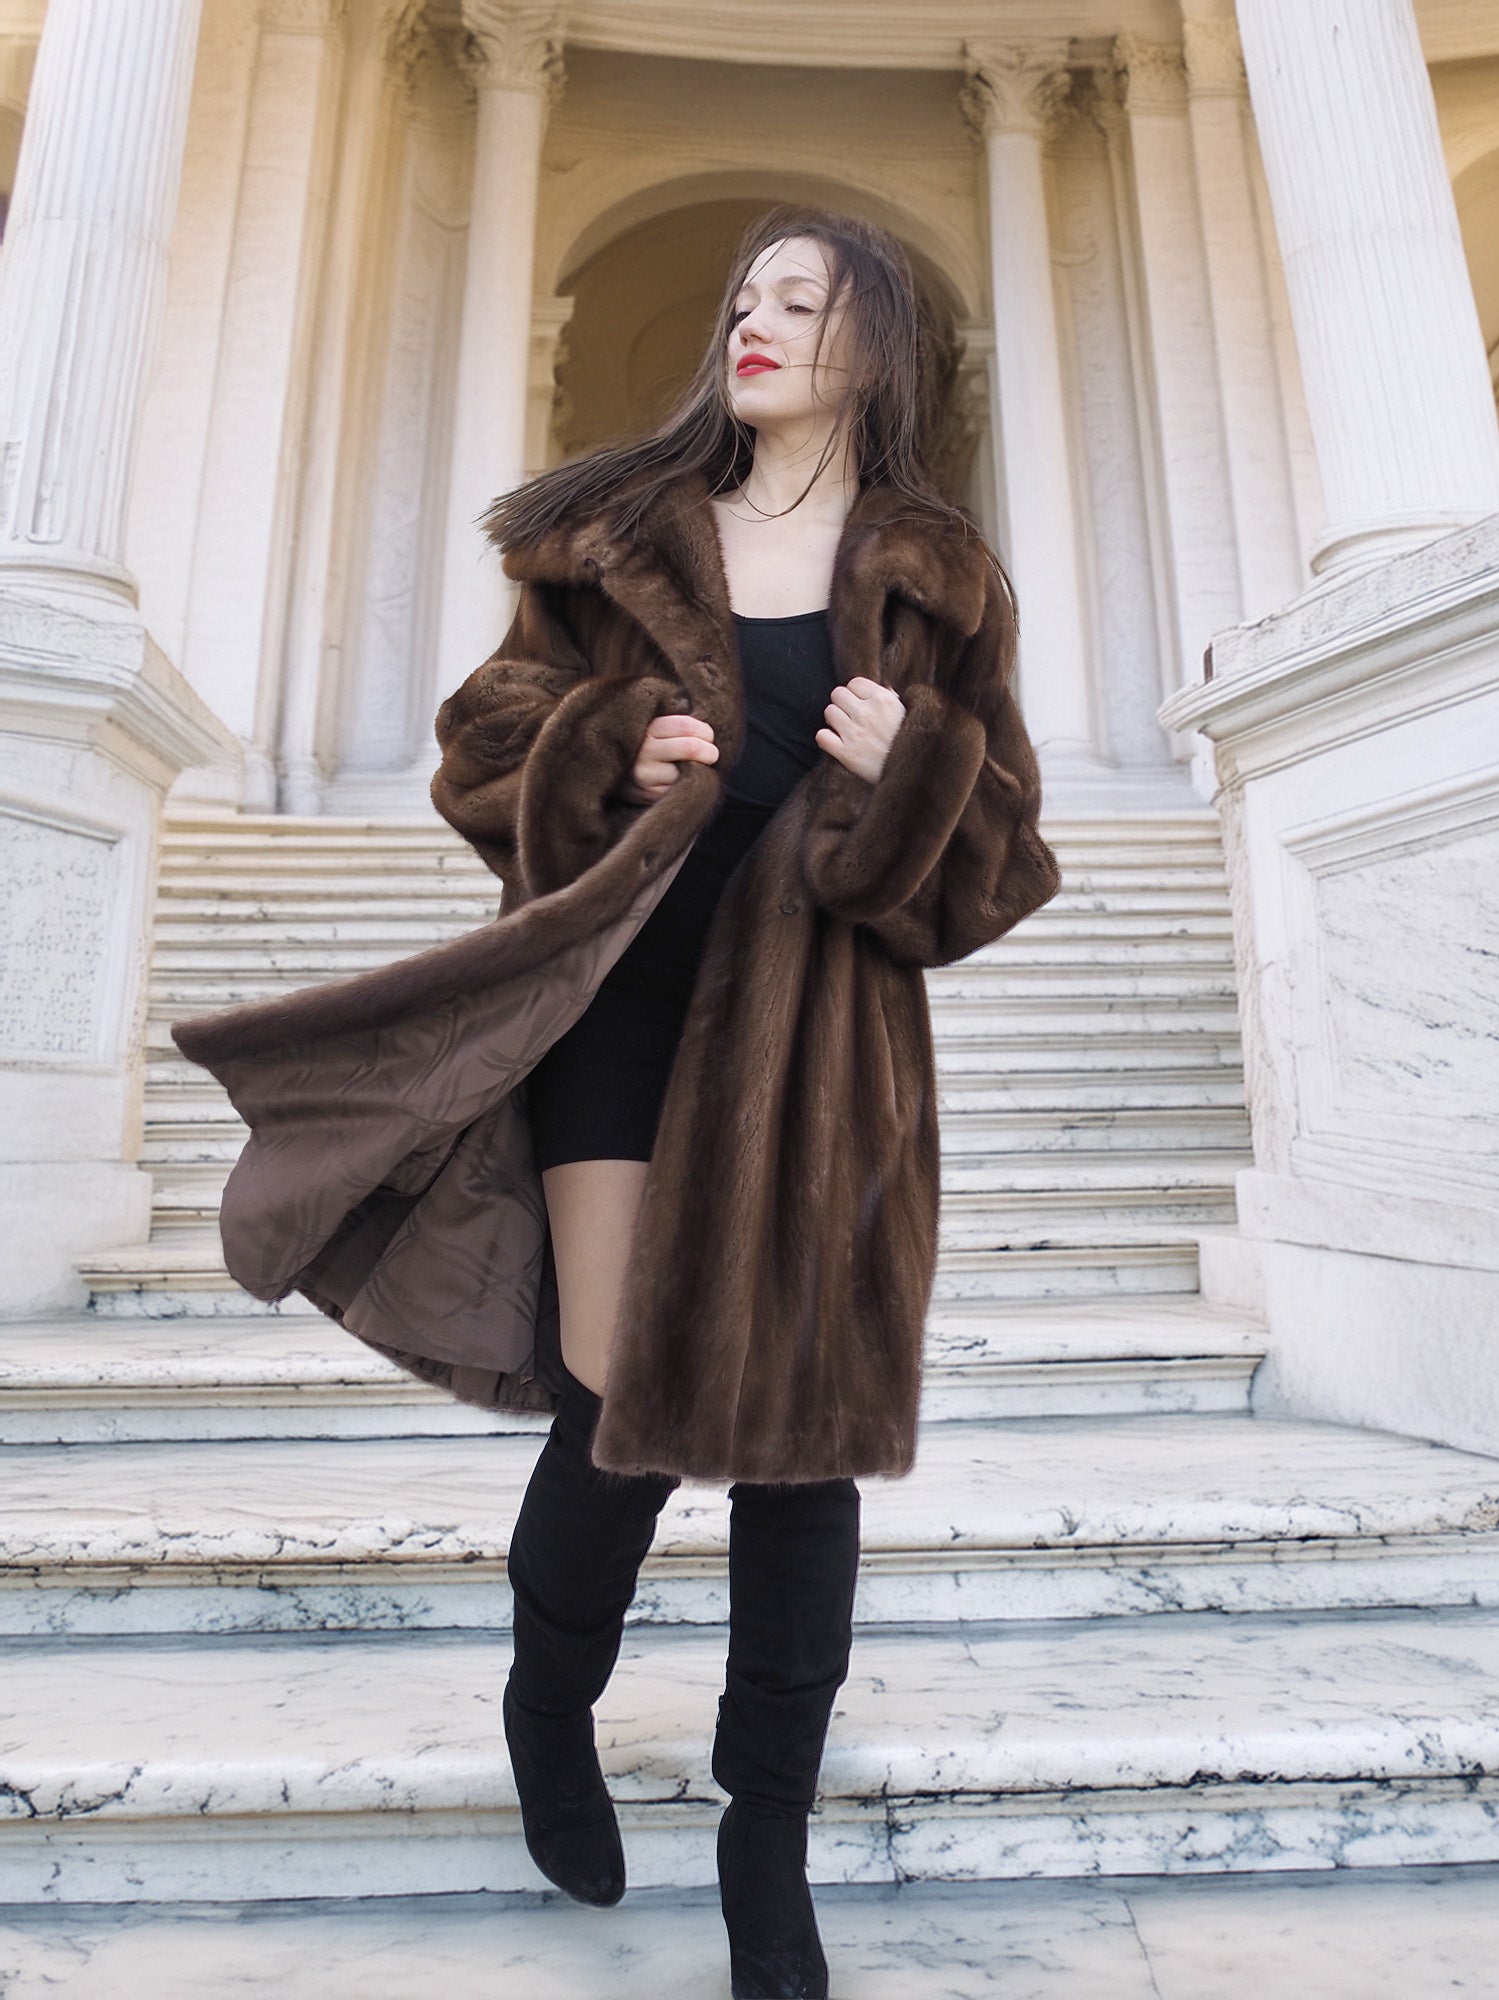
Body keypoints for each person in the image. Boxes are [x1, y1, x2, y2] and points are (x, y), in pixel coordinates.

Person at [174, 204, 1058, 2000]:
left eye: (800, 303)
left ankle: (764, 1844)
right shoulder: (608, 540)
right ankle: (549, 1695)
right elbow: (480, 741)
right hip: (623, 1018)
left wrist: (924, 772)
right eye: (745, 298)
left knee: (805, 1445)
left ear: (872, 343)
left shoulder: (941, 577)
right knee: (619, 1391)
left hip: (827, 1057)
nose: (756, 323)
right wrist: (605, 750)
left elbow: (994, 871)